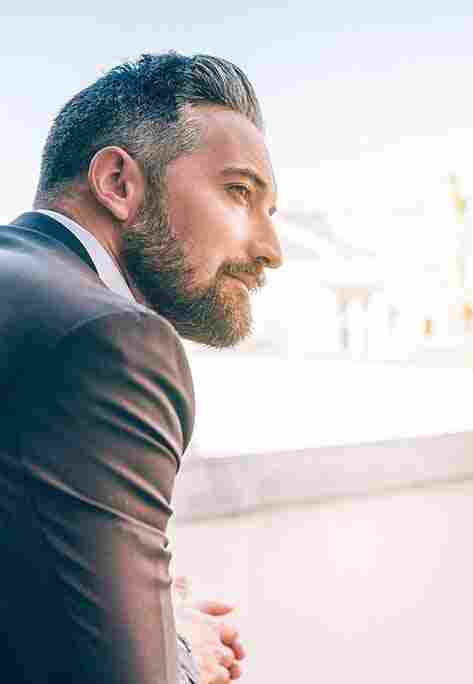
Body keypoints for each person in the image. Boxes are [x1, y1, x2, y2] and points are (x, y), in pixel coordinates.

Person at [0, 52, 281, 683]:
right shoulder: (109, 340)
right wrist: (182, 654)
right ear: (119, 183)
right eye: (239, 193)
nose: (270, 251)